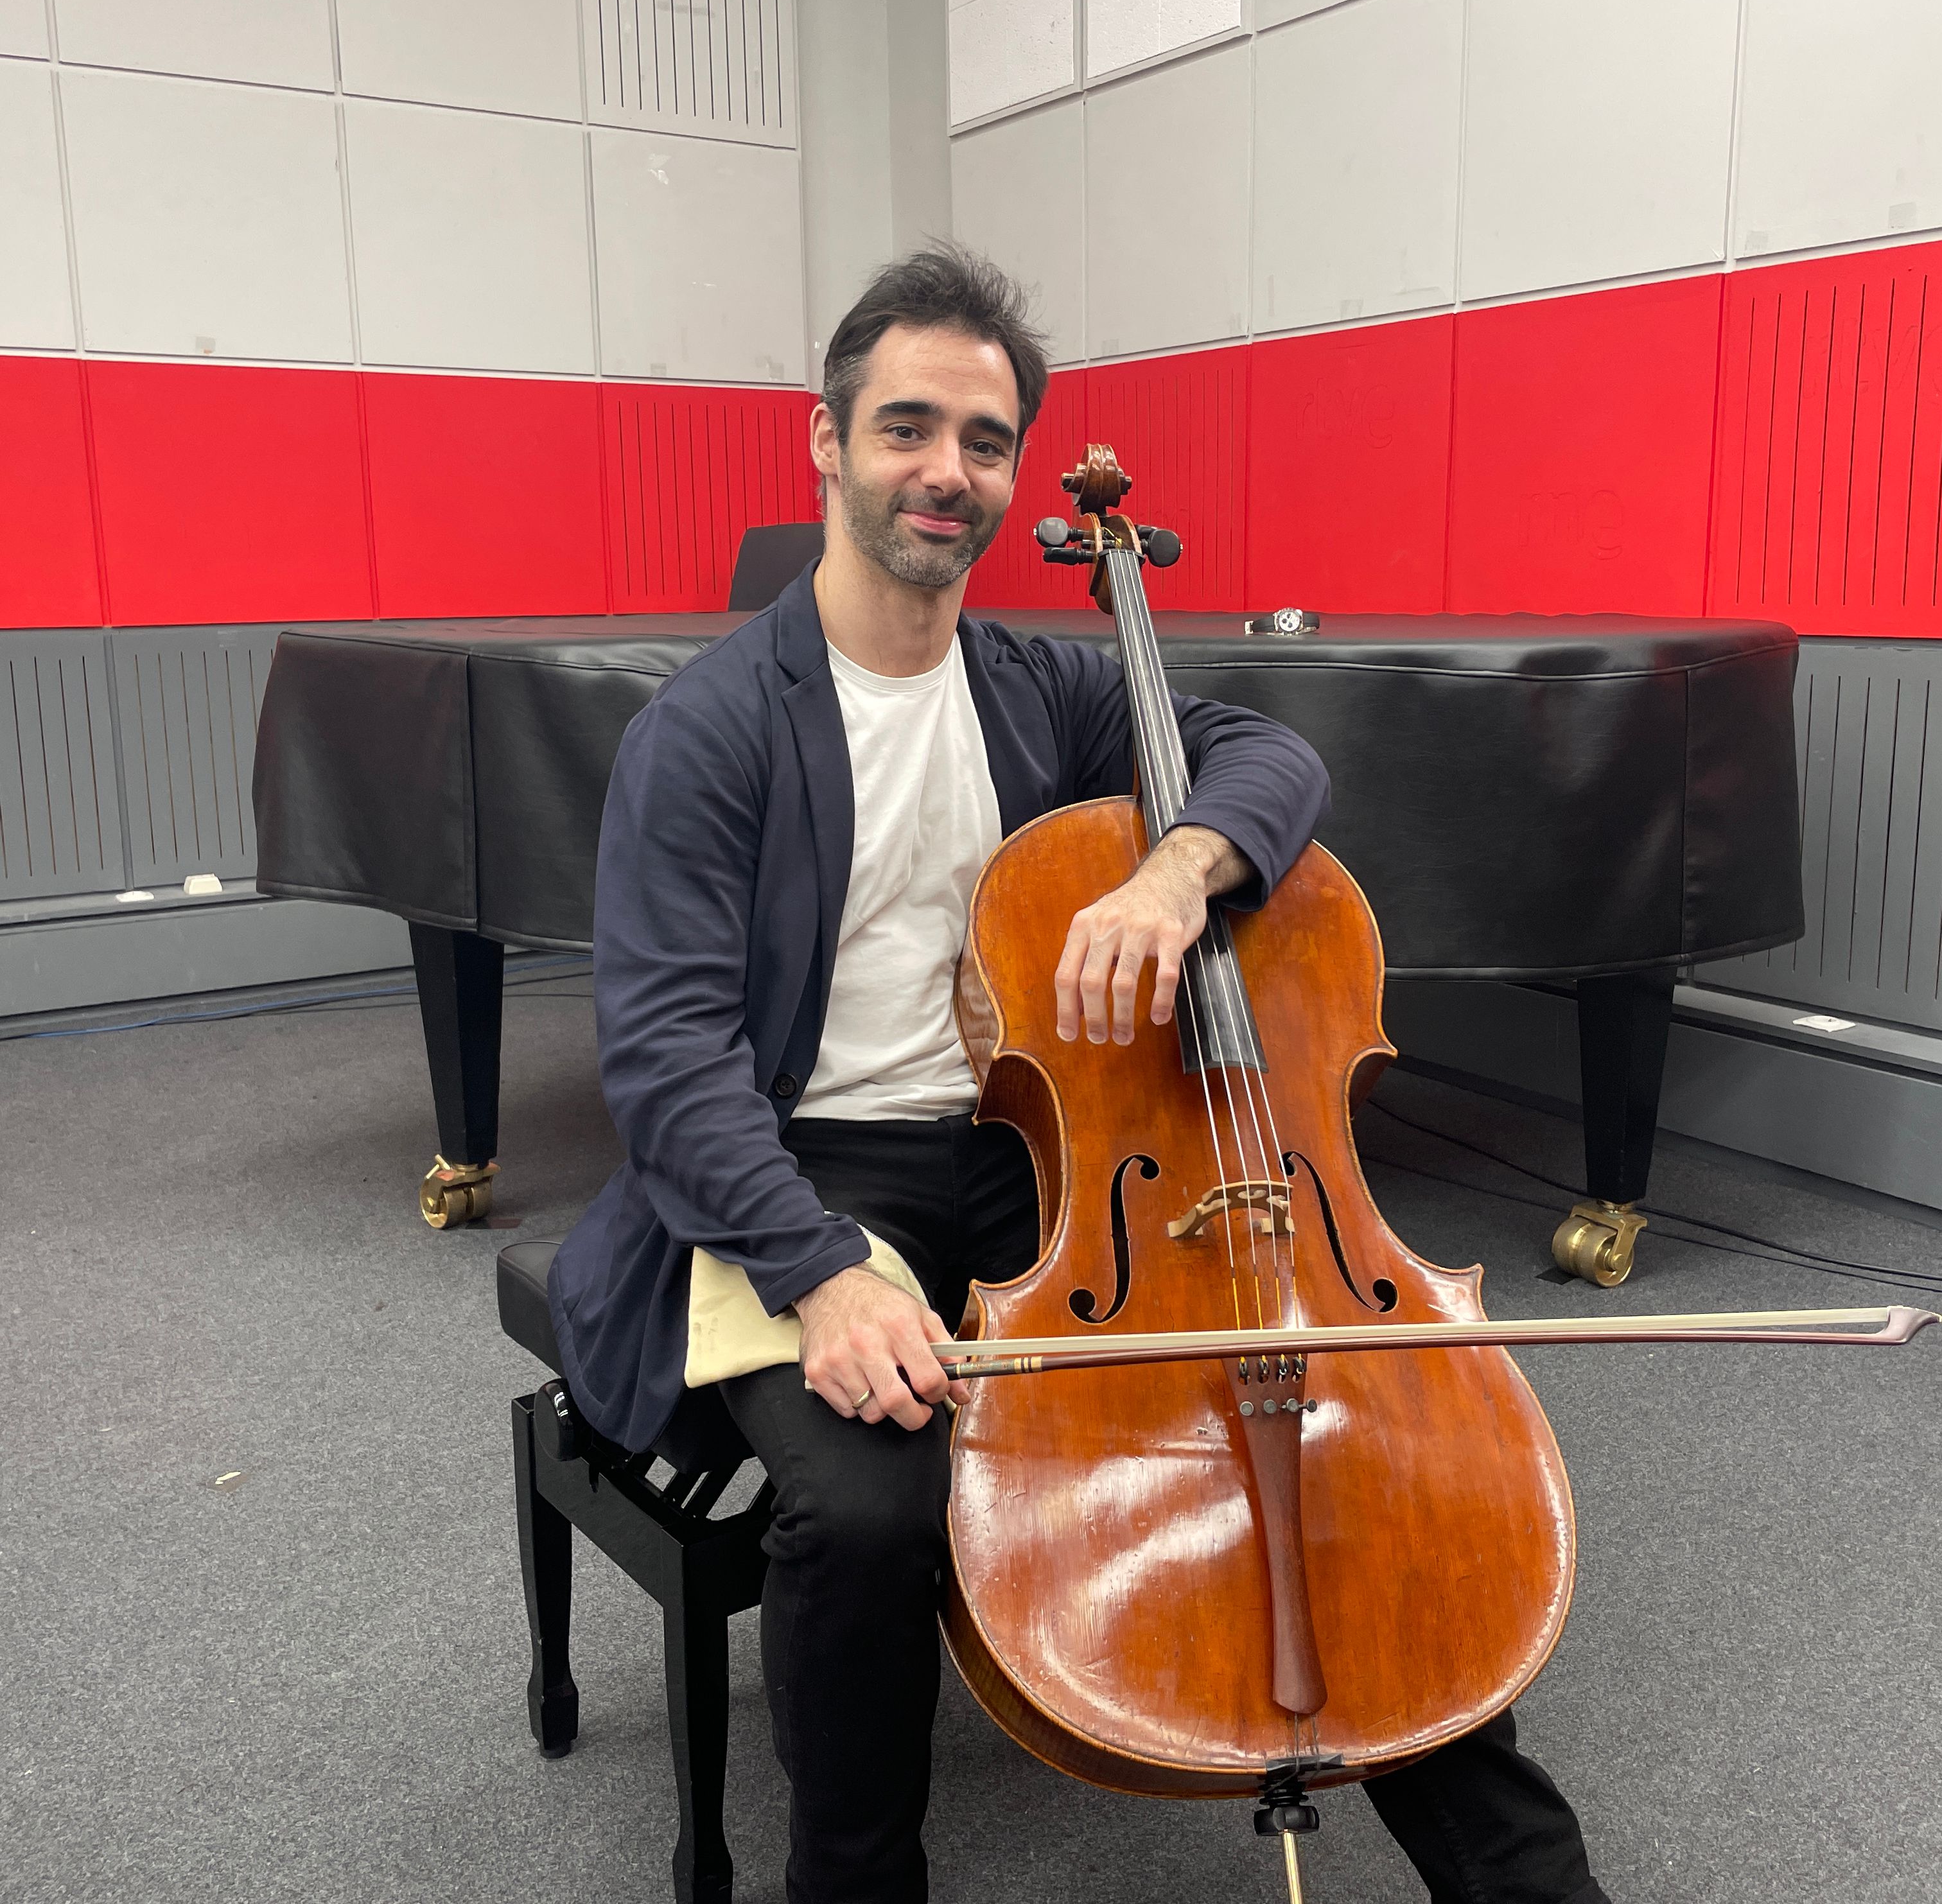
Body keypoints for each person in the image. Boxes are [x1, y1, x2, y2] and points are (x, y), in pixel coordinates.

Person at [548, 245, 1608, 1904]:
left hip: (1050, 1161)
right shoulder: (712, 728)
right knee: (867, 1509)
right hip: (808, 1171)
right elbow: (670, 1065)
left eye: (982, 441)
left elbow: (1272, 755)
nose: (946, 472)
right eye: (907, 428)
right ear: (824, 444)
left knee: (1340, 1421)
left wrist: (1176, 869)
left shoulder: (1033, 683)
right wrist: (820, 1279)